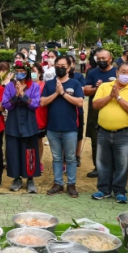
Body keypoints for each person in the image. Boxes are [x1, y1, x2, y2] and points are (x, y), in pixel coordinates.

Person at [91, 62, 128, 202]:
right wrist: (110, 96)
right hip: (103, 132)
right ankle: (103, 190)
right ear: (117, 72)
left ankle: (119, 191)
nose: (126, 75)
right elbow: (95, 105)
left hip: (123, 134)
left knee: (122, 164)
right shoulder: (104, 86)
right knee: (102, 163)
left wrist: (118, 97)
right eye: (124, 72)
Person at [41, 55, 85, 197]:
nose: (60, 68)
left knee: (71, 158)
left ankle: (71, 184)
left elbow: (79, 102)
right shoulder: (48, 84)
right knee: (57, 157)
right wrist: (56, 93)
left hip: (70, 128)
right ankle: (58, 183)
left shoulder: (75, 83)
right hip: (52, 127)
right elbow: (42, 102)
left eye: (63, 66)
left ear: (69, 67)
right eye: (57, 66)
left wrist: (63, 93)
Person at [3, 60, 41, 193]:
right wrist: (15, 96)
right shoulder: (9, 87)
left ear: (27, 72)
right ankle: (17, 178)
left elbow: (35, 105)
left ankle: (30, 179)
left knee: (30, 151)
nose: (19, 74)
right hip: (13, 123)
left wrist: (23, 96)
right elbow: (5, 104)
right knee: (13, 152)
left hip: (29, 123)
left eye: (22, 72)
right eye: (17, 72)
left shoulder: (34, 86)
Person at [84, 48, 117, 178]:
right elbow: (86, 91)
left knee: (114, 139)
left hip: (114, 109)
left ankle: (114, 167)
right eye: (99, 58)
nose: (102, 60)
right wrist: (97, 88)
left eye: (104, 58)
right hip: (96, 110)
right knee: (95, 139)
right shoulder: (92, 72)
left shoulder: (117, 71)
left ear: (110, 59)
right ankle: (98, 167)